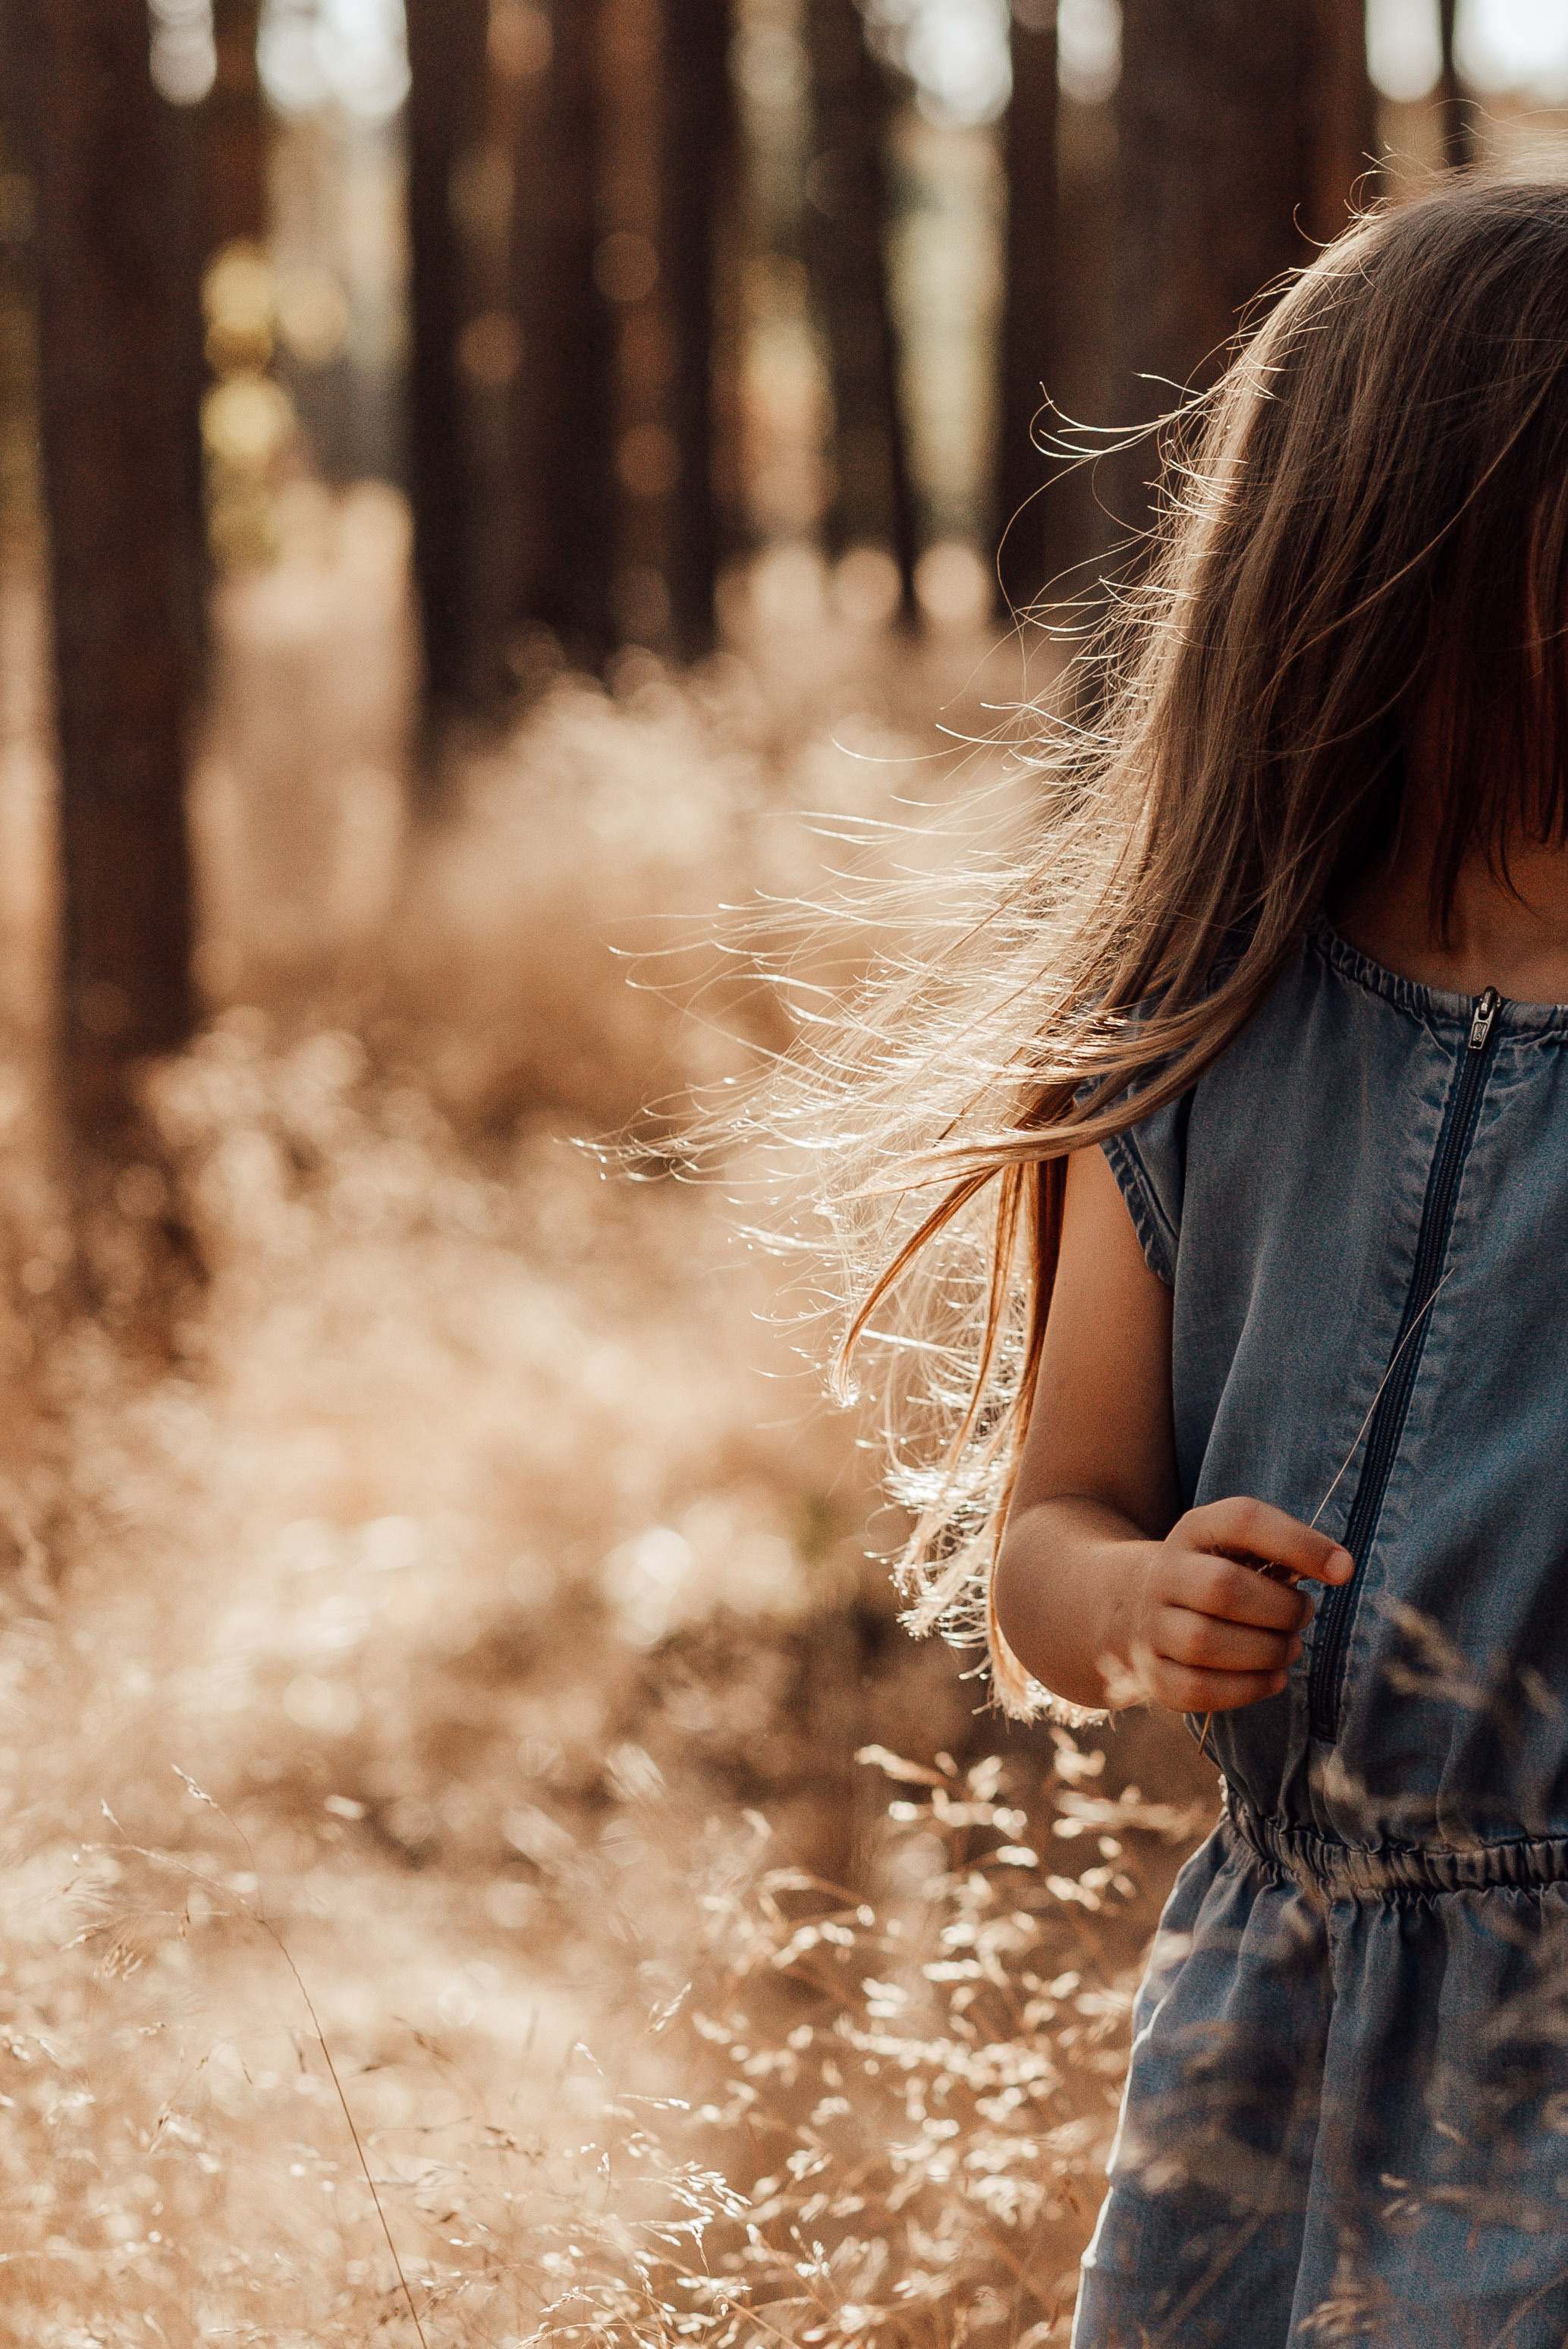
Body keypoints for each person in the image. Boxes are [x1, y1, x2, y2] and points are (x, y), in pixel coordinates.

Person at [823, 181, 1568, 2345]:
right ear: (1407, 578)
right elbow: (1046, 1533)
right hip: (1277, 2032)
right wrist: (1134, 1610)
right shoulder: (1184, 1045)